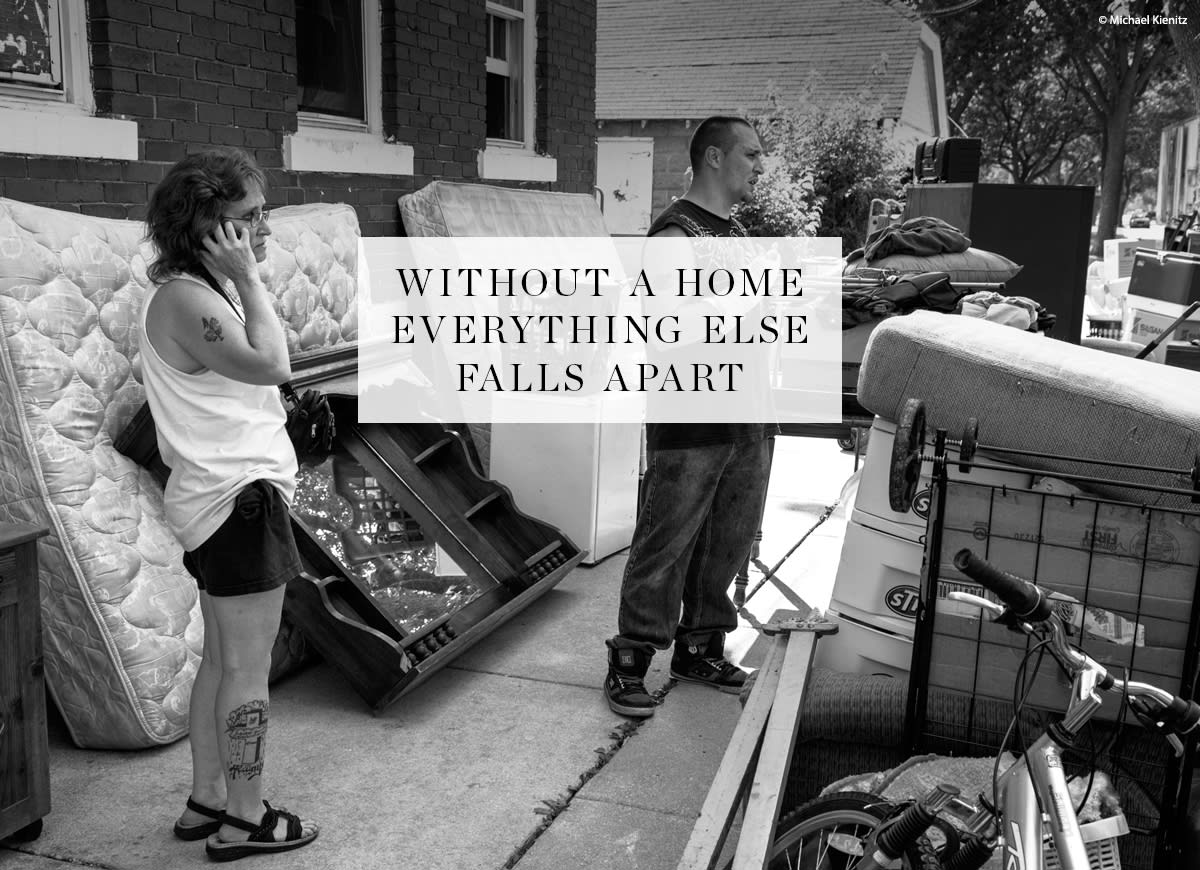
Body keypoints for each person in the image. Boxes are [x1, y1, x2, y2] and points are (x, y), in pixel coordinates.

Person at [142, 147, 318, 860]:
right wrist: (247, 275)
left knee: (220, 661)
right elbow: (273, 364)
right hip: (237, 502)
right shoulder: (189, 299)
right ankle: (245, 818)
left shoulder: (195, 293)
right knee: (247, 670)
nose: (264, 228)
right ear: (207, 224)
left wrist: (240, 278)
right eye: (249, 217)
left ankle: (208, 800)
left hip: (222, 500)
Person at [603, 116, 776, 718]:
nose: (760, 166)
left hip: (747, 414)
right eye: (751, 154)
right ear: (713, 158)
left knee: (727, 540)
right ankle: (629, 660)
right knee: (667, 542)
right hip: (693, 419)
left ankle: (699, 649)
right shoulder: (675, 236)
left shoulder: (734, 234)